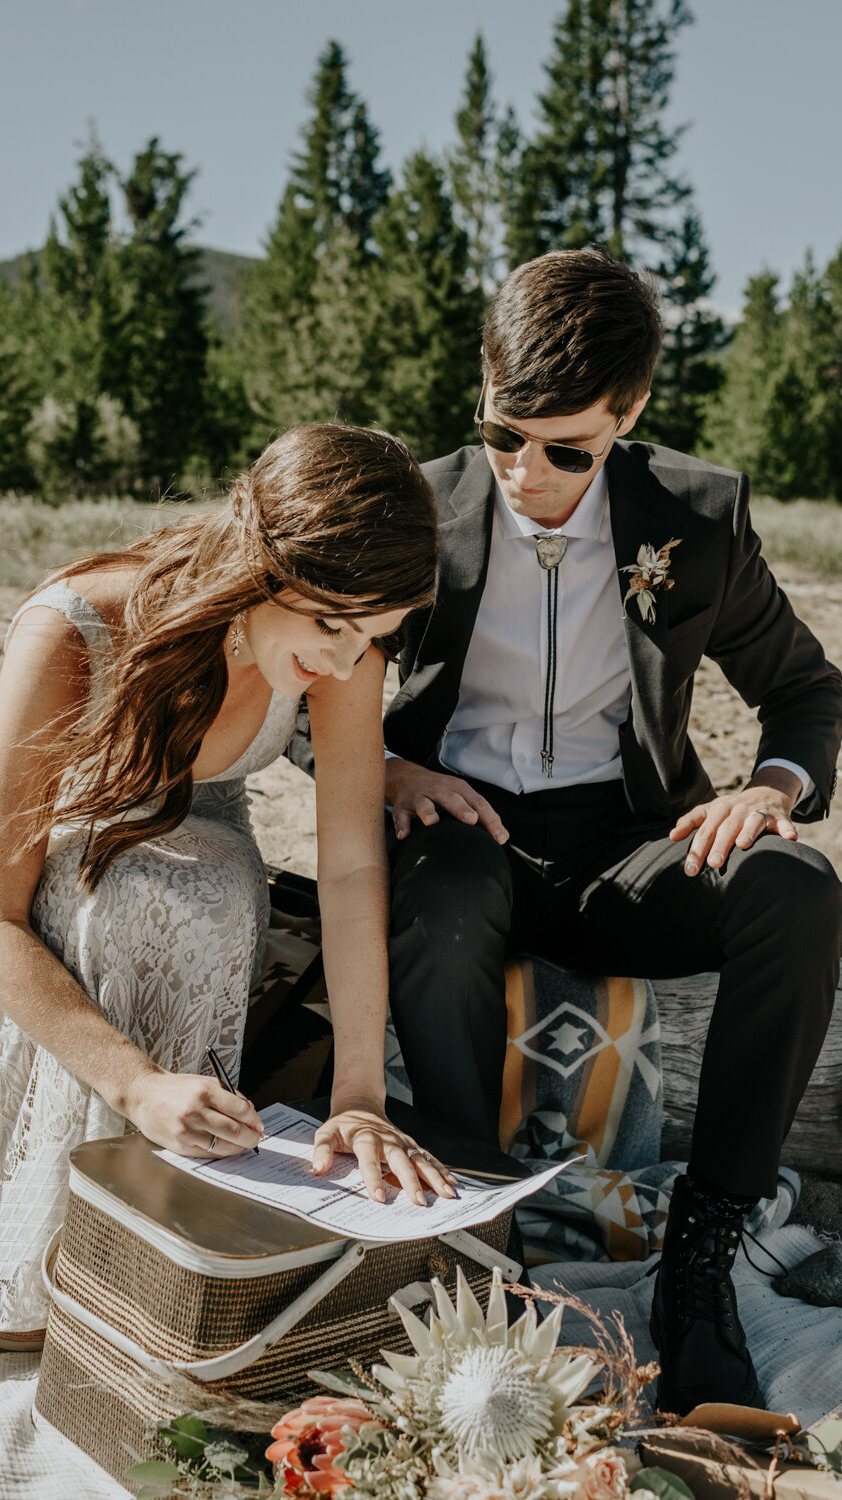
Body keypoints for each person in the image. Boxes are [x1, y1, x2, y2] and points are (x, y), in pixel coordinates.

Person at [0, 421, 455, 1354]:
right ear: (258, 563)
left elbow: (351, 865)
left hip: (200, 824)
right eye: (329, 625)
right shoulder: (75, 624)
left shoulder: (345, 649)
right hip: (47, 818)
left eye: (372, 636)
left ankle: (145, 1227)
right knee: (113, 908)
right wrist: (135, 1086)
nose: (342, 661)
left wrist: (360, 1091)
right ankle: (34, 1242)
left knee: (206, 899)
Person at [379, 250, 842, 1415]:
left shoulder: (692, 517)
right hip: (458, 832)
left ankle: (700, 1260)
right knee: (436, 908)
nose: (526, 473)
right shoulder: (414, 509)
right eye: (501, 436)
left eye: (567, 449)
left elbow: (804, 690)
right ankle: (471, 1237)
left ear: (627, 415)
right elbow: (290, 681)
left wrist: (770, 789)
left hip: (627, 844)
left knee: (796, 889)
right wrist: (380, 765)